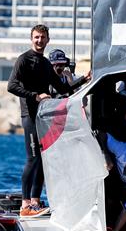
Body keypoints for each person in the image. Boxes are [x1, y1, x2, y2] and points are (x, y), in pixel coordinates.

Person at [7, 24, 91, 217]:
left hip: (43, 117)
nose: (39, 41)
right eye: (36, 37)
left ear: (48, 40)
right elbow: (11, 86)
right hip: (29, 115)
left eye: (43, 38)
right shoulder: (24, 59)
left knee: (43, 159)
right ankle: (25, 203)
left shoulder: (45, 63)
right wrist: (35, 96)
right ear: (31, 39)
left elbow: (62, 90)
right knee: (33, 158)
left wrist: (84, 80)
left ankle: (35, 201)